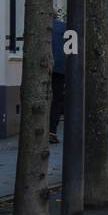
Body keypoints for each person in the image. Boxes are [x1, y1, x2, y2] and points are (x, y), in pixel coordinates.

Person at [49, 12, 67, 144]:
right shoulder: (64, 27)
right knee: (56, 100)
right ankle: (52, 131)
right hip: (60, 68)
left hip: (43, 67)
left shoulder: (40, 27)